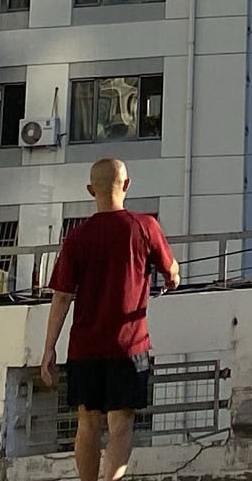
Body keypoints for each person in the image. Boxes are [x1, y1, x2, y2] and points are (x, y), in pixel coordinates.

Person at [38, 157, 181, 481]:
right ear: (127, 185)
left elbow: (61, 296)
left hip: (84, 347)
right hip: (129, 346)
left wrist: (48, 348)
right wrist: (173, 278)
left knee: (87, 422)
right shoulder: (145, 227)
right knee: (121, 424)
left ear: (91, 190)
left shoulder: (77, 238)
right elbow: (171, 271)